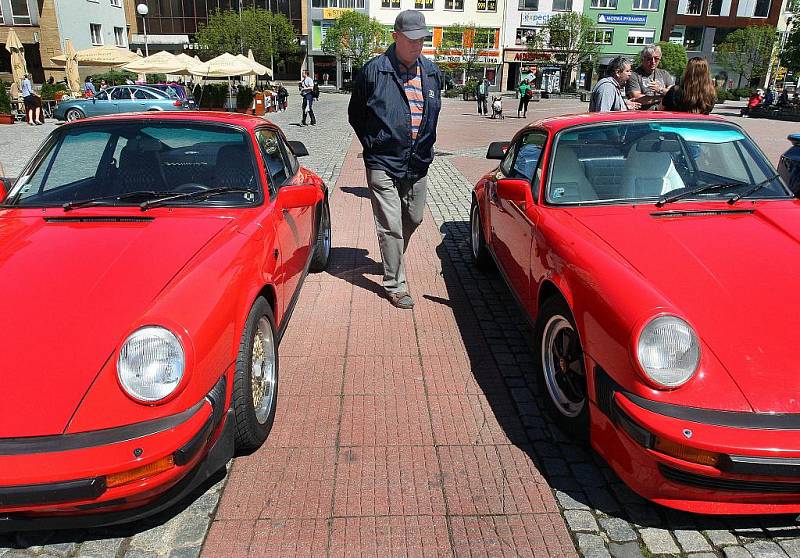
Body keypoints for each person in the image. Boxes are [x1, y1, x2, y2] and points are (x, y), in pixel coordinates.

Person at [348, 9, 442, 310]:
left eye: (422, 40)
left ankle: (392, 258)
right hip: (383, 161)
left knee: (413, 218)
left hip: (418, 162)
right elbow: (356, 114)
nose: (417, 46)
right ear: (395, 37)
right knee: (390, 224)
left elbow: (433, 113)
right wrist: (373, 144)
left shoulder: (431, 72)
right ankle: (395, 285)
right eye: (411, 40)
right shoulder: (374, 71)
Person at [626, 44, 674, 110]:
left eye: (656, 59)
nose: (653, 62)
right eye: (649, 59)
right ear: (642, 59)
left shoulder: (664, 74)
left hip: (663, 116)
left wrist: (660, 89)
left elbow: (673, 94)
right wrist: (664, 97)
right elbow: (637, 98)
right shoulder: (634, 75)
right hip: (642, 116)